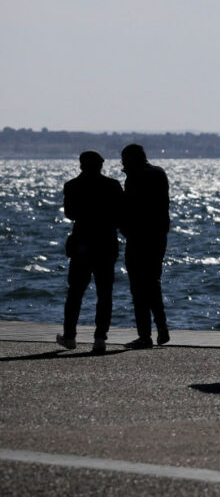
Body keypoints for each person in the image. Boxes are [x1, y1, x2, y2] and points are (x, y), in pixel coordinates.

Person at [57, 151, 124, 354]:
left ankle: (70, 336)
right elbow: (121, 215)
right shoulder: (113, 186)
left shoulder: (71, 186)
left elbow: (70, 214)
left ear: (81, 166)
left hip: (81, 244)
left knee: (75, 292)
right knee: (105, 294)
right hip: (106, 243)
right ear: (100, 166)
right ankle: (100, 338)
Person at [120, 143, 171, 350]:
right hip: (158, 236)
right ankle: (162, 327)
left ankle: (145, 335)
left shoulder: (134, 177)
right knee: (153, 283)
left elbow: (128, 208)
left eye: (124, 160)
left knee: (138, 288)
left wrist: (124, 229)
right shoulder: (159, 173)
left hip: (138, 238)